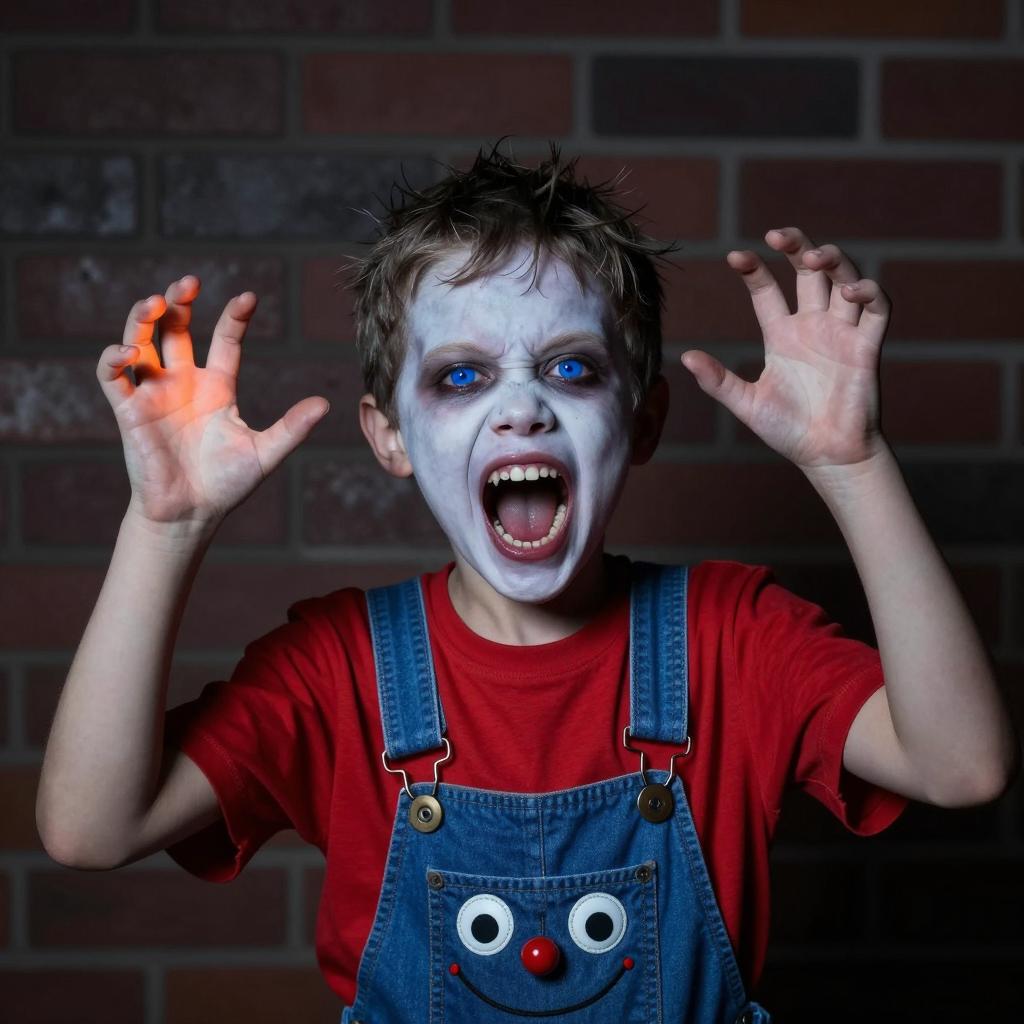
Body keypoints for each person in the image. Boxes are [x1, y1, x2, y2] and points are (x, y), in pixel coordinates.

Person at [36, 141, 1019, 1023]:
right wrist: (165, 527)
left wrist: (852, 466)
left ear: (640, 422)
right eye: (461, 377)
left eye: (571, 370)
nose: (522, 411)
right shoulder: (337, 668)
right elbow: (89, 828)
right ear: (390, 436)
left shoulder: (733, 637)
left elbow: (962, 765)